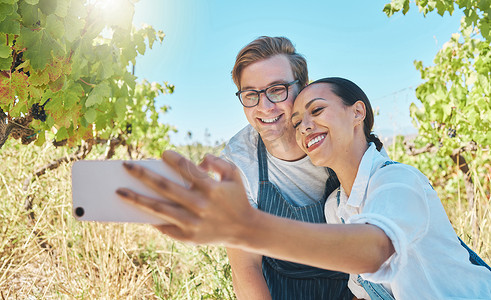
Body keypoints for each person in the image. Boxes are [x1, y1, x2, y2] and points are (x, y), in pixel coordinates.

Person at [116, 77, 491, 299]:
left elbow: (374, 251)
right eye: (298, 121)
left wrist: (245, 228)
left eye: (317, 110)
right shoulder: (335, 208)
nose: (304, 126)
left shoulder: (398, 181)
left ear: (357, 112)